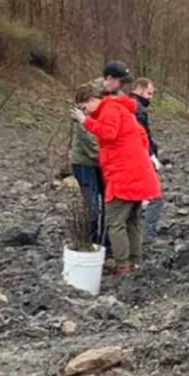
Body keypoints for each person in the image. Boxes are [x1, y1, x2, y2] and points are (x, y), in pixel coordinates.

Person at [79, 85, 163, 275]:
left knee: (115, 222)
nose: (84, 112)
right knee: (132, 220)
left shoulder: (109, 110)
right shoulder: (122, 109)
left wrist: (86, 122)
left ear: (92, 100)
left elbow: (109, 133)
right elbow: (142, 137)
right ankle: (135, 263)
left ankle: (122, 266)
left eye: (84, 108)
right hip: (138, 173)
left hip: (123, 176)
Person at [69, 81, 110, 253]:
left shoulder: (103, 112)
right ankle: (91, 243)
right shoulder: (81, 119)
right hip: (85, 164)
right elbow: (92, 146)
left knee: (108, 203)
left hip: (101, 163)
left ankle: (106, 243)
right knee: (92, 205)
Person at [129, 77, 165, 237]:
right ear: (140, 89)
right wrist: (151, 156)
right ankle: (147, 236)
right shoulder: (138, 110)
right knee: (155, 197)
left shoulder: (127, 105)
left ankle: (135, 234)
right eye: (149, 93)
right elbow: (142, 137)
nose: (150, 97)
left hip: (131, 159)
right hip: (140, 159)